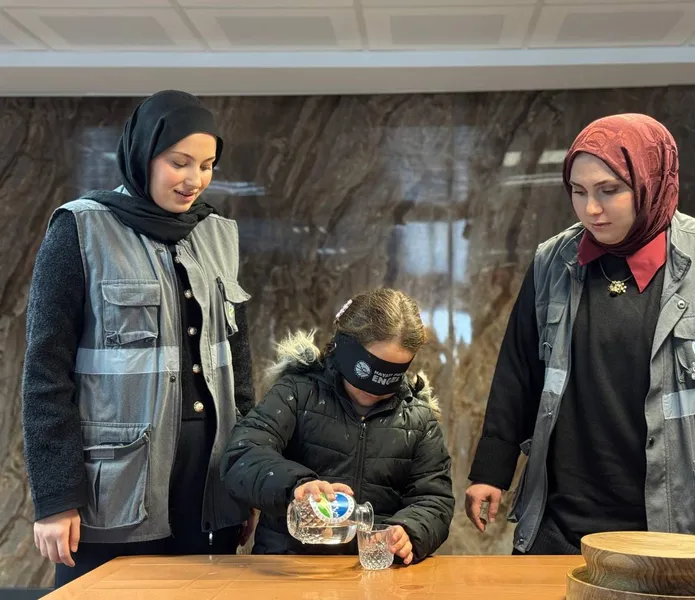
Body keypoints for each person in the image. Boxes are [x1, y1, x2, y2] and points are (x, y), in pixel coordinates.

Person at [464, 113, 695, 565]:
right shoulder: (552, 262)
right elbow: (518, 371)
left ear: (649, 182)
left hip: (682, 518)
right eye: (578, 191)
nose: (590, 210)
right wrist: (492, 468)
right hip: (563, 525)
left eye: (609, 190)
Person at [22, 90, 257, 587]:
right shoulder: (80, 228)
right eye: (179, 162)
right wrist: (55, 497)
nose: (194, 179)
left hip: (210, 482)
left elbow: (237, 367)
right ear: (142, 154)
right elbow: (45, 373)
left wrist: (249, 475)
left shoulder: (218, 233)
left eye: (207, 165)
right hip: (116, 485)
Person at [221, 288, 454, 564]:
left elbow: (434, 498)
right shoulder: (297, 393)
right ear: (344, 347)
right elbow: (243, 453)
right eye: (367, 371)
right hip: (288, 564)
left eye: (389, 377)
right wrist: (295, 486)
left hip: (373, 570)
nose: (374, 390)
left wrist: (409, 531)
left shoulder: (419, 419)